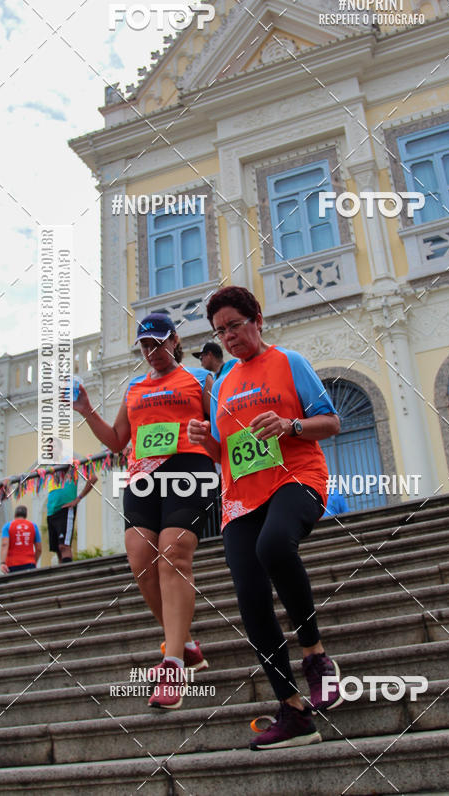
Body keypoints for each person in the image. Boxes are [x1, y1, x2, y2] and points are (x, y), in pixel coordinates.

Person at [188, 286, 343, 750]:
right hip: (241, 497)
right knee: (251, 599)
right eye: (220, 330)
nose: (229, 336)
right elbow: (224, 454)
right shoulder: (223, 385)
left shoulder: (289, 361)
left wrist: (289, 425)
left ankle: (315, 656)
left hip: (298, 477)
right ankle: (293, 712)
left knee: (274, 545)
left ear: (258, 318)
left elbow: (331, 422)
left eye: (235, 325)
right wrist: (203, 438)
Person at [73, 310, 219, 710]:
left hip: (189, 469)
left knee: (173, 554)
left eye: (159, 342)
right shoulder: (134, 387)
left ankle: (172, 664)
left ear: (174, 341)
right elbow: (119, 440)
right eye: (145, 345)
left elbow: (222, 427)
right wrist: (87, 410)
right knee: (140, 557)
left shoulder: (201, 378)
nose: (153, 351)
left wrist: (207, 437)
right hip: (143, 476)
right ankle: (186, 645)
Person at [46, 460, 98, 564]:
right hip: (51, 512)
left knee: (64, 546)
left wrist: (78, 498)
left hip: (65, 509)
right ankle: (62, 576)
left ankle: (68, 575)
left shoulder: (72, 467)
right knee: (57, 549)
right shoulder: (51, 469)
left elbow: (93, 478)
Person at [0, 505, 42, 573]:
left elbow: (4, 544)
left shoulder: (7, 526)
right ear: (26, 515)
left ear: (15, 515)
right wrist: (34, 561)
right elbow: (39, 549)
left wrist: (2, 563)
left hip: (12, 564)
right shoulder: (33, 526)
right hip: (29, 563)